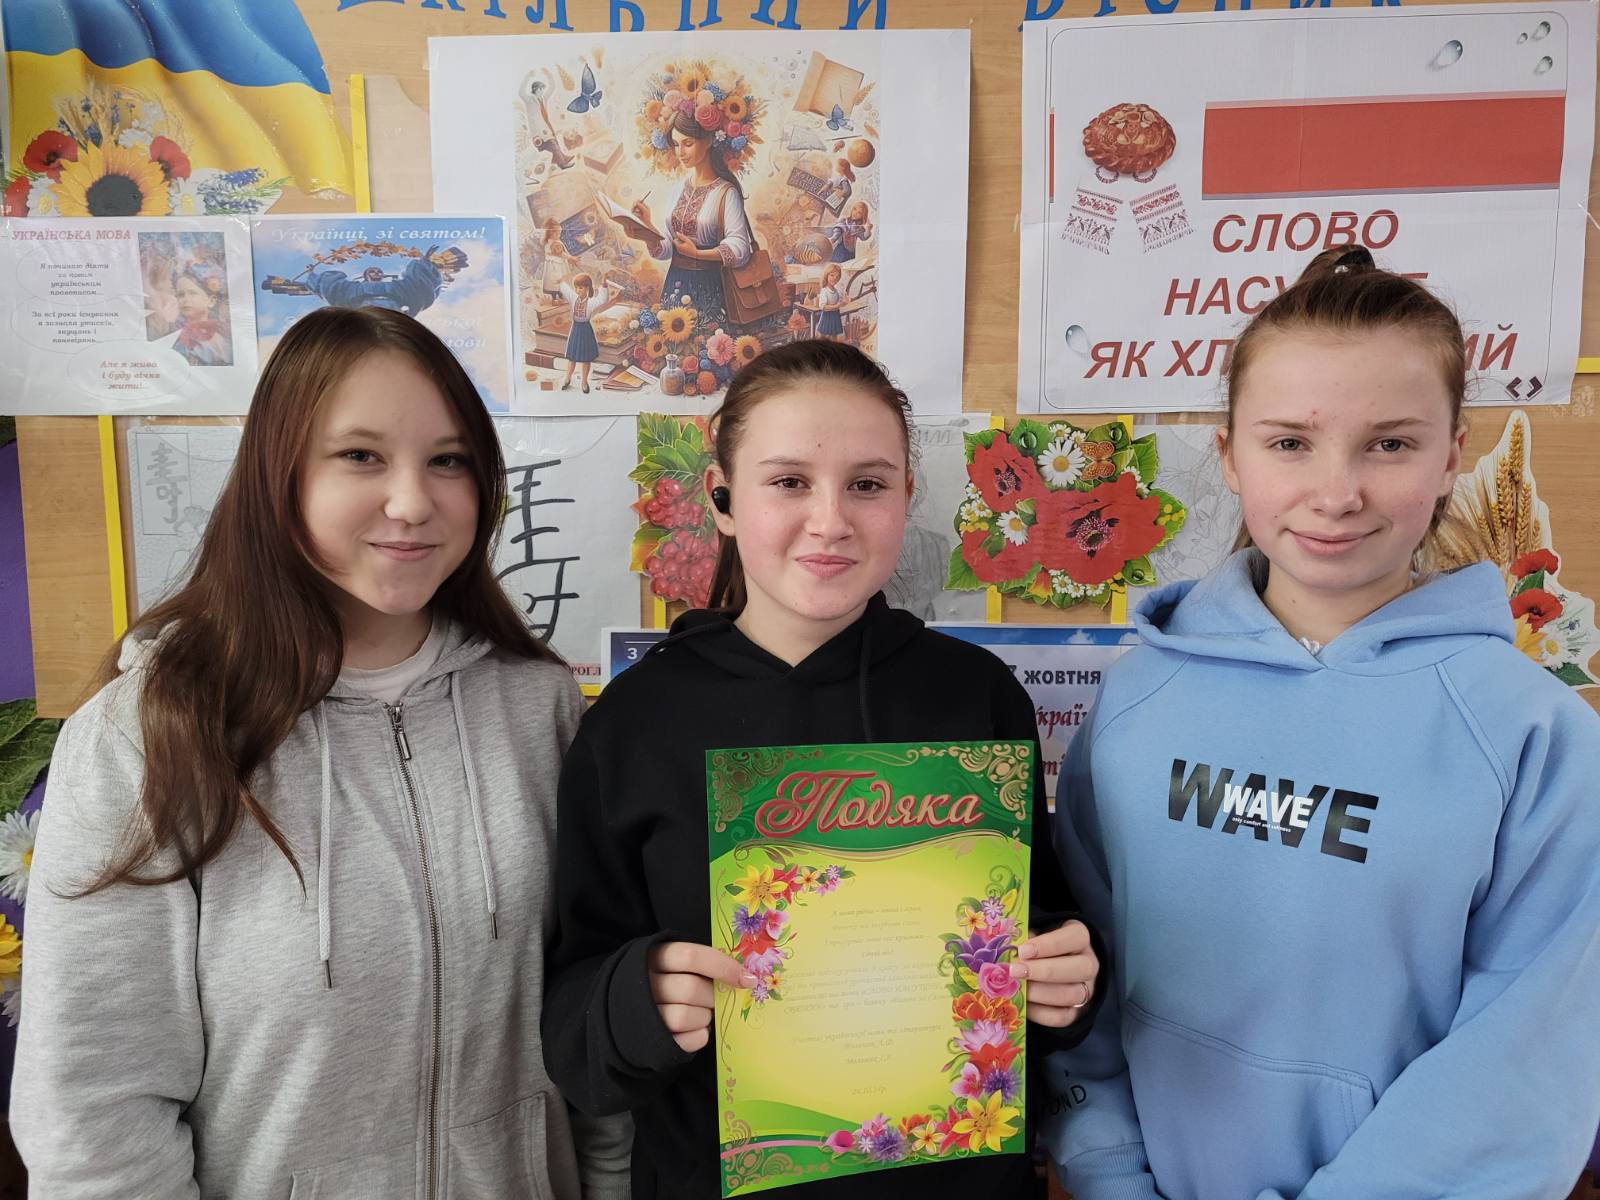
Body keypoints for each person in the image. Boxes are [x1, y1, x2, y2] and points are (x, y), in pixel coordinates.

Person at [13, 306, 630, 1198]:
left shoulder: (538, 707)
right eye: (361, 456)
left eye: (449, 460)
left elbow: (590, 1017)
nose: (412, 502)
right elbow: (94, 1112)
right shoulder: (151, 732)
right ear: (280, 474)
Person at [1044, 245, 1600, 1199]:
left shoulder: (1536, 736)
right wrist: (1110, 1176)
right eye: (1290, 443)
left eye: (1390, 444)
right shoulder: (1138, 696)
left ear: (1452, 453)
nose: (1337, 493)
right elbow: (1078, 979)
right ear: (1229, 454)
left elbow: (1524, 1068)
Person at [543, 339, 1101, 1199]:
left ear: (906, 497)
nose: (831, 520)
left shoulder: (975, 695)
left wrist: (1067, 983)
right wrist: (637, 1000)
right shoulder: (633, 722)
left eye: (867, 484)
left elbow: (1041, 927)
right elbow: (572, 1015)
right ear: (723, 499)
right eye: (789, 482)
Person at [617, 111, 752, 330]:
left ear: (708, 141)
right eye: (676, 144)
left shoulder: (726, 193)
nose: (680, 152)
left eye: (687, 144)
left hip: (711, 285)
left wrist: (697, 254)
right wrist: (646, 229)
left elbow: (741, 249)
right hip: (676, 282)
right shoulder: (677, 189)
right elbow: (668, 248)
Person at [169, 262, 232, 367]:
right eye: (180, 295)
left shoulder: (222, 338)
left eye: (193, 293)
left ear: (211, 301)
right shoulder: (176, 338)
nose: (185, 299)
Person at [560, 273, 609, 394]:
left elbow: (603, 299)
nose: (577, 290)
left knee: (586, 359)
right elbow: (565, 289)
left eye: (580, 288)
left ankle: (584, 382)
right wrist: (560, 281)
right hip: (575, 329)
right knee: (572, 357)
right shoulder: (574, 298)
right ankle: (567, 378)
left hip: (586, 330)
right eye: (576, 287)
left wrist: (604, 285)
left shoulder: (591, 302)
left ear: (587, 288)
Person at [829, 200, 873, 264]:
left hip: (850, 252)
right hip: (840, 249)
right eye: (854, 209)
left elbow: (864, 237)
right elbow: (838, 229)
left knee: (848, 265)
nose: (855, 213)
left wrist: (868, 229)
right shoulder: (844, 220)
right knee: (835, 263)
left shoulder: (859, 228)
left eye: (859, 213)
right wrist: (833, 238)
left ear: (863, 216)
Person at [815, 263, 845, 341]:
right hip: (827, 316)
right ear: (826, 275)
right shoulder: (825, 290)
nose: (834, 278)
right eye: (832, 275)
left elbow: (838, 301)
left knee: (834, 336)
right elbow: (823, 307)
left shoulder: (836, 290)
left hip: (835, 315)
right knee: (823, 336)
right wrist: (837, 306)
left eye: (837, 277)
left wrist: (843, 302)